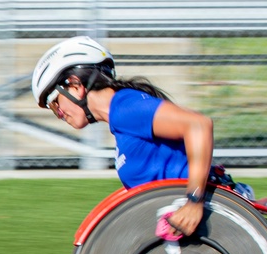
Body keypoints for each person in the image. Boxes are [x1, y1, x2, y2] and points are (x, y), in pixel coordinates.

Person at [32, 36, 216, 237]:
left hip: (205, 223)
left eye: (54, 103)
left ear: (75, 85)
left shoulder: (125, 108)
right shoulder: (120, 117)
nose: (58, 114)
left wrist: (194, 201)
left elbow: (198, 125)